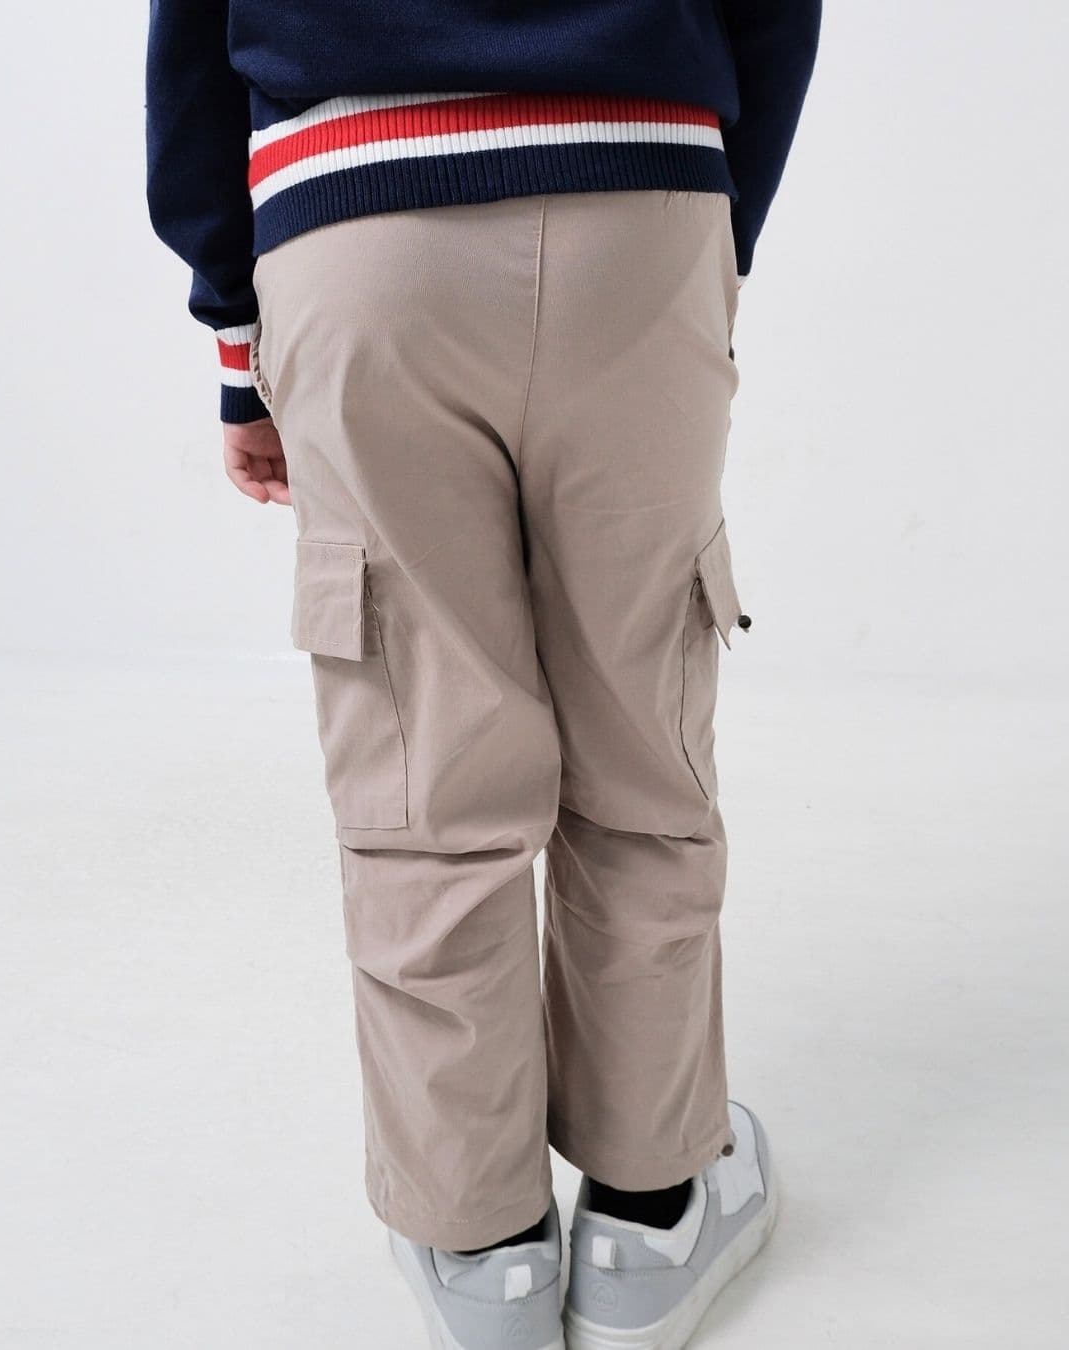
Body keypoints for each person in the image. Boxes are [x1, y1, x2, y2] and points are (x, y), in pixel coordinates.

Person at [146, 3, 820, 1346]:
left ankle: (484, 1251)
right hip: (641, 195)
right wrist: (703, 220)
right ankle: (649, 1216)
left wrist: (237, 337)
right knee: (641, 730)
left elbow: (190, 46)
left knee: (422, 757)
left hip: (358, 221)